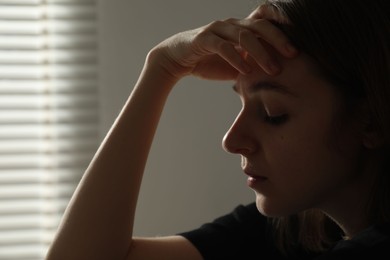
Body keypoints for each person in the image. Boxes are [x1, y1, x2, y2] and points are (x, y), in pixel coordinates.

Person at [46, 0, 390, 259]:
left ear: (370, 120)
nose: (232, 140)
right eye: (240, 102)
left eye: (273, 114)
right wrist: (162, 68)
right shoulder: (294, 229)